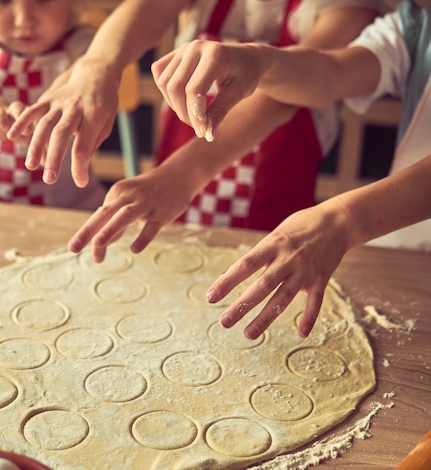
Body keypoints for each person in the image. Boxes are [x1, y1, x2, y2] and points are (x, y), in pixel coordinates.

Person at [150, 0, 431, 339]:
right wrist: (261, 60)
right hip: (404, 249)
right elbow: (334, 72)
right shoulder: (416, 22)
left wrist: (344, 220)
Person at [7, 0, 385, 226]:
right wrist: (96, 69)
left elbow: (291, 91)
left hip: (268, 220)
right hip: (170, 199)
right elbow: (150, 8)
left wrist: (183, 174)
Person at [0, 0, 106, 210]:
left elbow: (90, 72)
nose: (24, 20)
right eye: (2, 1)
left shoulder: (84, 44)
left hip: (67, 208)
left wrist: (55, 101)